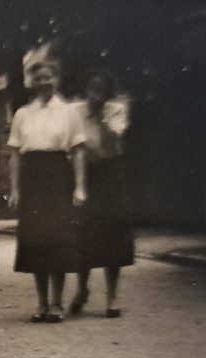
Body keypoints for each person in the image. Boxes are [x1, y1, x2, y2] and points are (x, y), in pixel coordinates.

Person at [7, 45, 88, 323]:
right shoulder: (22, 114)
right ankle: (41, 304)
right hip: (32, 178)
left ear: (57, 79)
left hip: (58, 176)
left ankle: (57, 304)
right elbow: (15, 155)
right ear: (32, 82)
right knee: (36, 243)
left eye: (48, 77)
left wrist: (79, 187)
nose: (44, 82)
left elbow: (77, 152)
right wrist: (15, 189)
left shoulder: (69, 112)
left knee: (57, 241)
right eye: (38, 78)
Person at [69, 71, 134, 318]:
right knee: (84, 234)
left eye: (100, 90)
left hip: (110, 175)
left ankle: (112, 296)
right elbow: (73, 143)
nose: (94, 94)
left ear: (107, 93)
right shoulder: (75, 110)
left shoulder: (116, 110)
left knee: (114, 237)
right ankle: (81, 289)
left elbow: (112, 142)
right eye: (91, 88)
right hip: (86, 173)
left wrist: (102, 116)